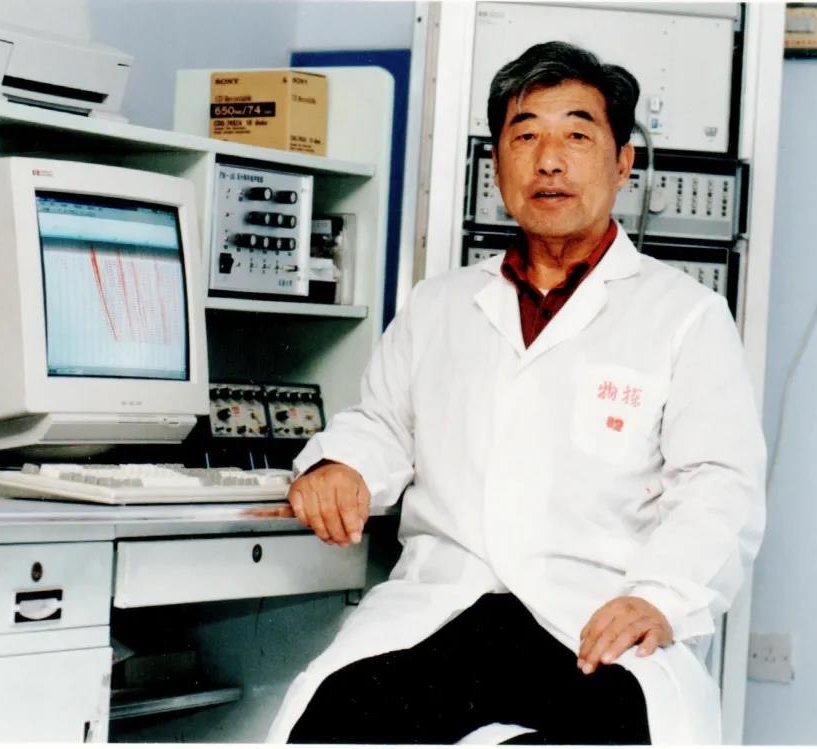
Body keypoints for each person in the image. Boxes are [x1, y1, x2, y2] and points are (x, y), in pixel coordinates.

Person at [268, 40, 765, 745]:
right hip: (444, 608)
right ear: (496, 164)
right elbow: (381, 422)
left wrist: (658, 597)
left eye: (577, 136)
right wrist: (340, 465)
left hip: (591, 618)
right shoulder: (439, 305)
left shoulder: (685, 316)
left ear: (623, 162)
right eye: (525, 136)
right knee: (333, 721)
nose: (549, 160)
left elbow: (718, 487)